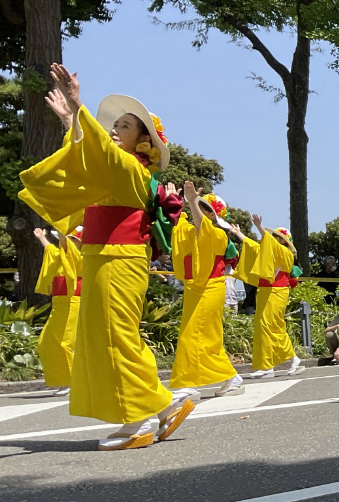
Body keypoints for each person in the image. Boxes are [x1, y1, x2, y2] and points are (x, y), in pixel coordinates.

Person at [18, 63, 194, 450]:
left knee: (114, 338)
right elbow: (89, 162)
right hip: (105, 257)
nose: (115, 128)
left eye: (126, 126)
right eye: (116, 125)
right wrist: (70, 122)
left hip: (118, 259)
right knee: (113, 336)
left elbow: (99, 155)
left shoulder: (131, 169)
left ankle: (138, 420)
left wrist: (78, 106)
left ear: (143, 143)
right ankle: (163, 407)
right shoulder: (116, 171)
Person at [169, 185, 243, 396]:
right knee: (195, 336)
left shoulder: (218, 235)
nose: (200, 210)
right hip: (196, 289)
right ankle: (229, 378)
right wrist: (177, 200)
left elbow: (201, 225)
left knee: (195, 337)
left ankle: (188, 384)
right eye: (200, 206)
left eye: (205, 207)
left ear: (214, 214)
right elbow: (179, 225)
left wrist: (192, 201)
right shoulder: (192, 231)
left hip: (210, 288)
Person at [241, 214, 306, 378]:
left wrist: (259, 228)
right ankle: (266, 366)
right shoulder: (271, 250)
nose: (274, 238)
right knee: (263, 327)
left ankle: (293, 359)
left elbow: (269, 244)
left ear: (284, 241)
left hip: (276, 292)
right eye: (274, 236)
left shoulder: (286, 253)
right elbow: (255, 247)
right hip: (265, 292)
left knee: (273, 326)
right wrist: (238, 234)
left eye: (278, 237)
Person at [32, 227, 82, 397]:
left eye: (69, 239)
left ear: (77, 241)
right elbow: (50, 249)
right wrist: (42, 238)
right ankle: (61, 380)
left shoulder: (79, 257)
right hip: (59, 305)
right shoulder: (60, 255)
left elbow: (65, 243)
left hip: (74, 303)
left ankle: (74, 382)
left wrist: (62, 228)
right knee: (46, 341)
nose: (63, 241)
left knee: (66, 344)